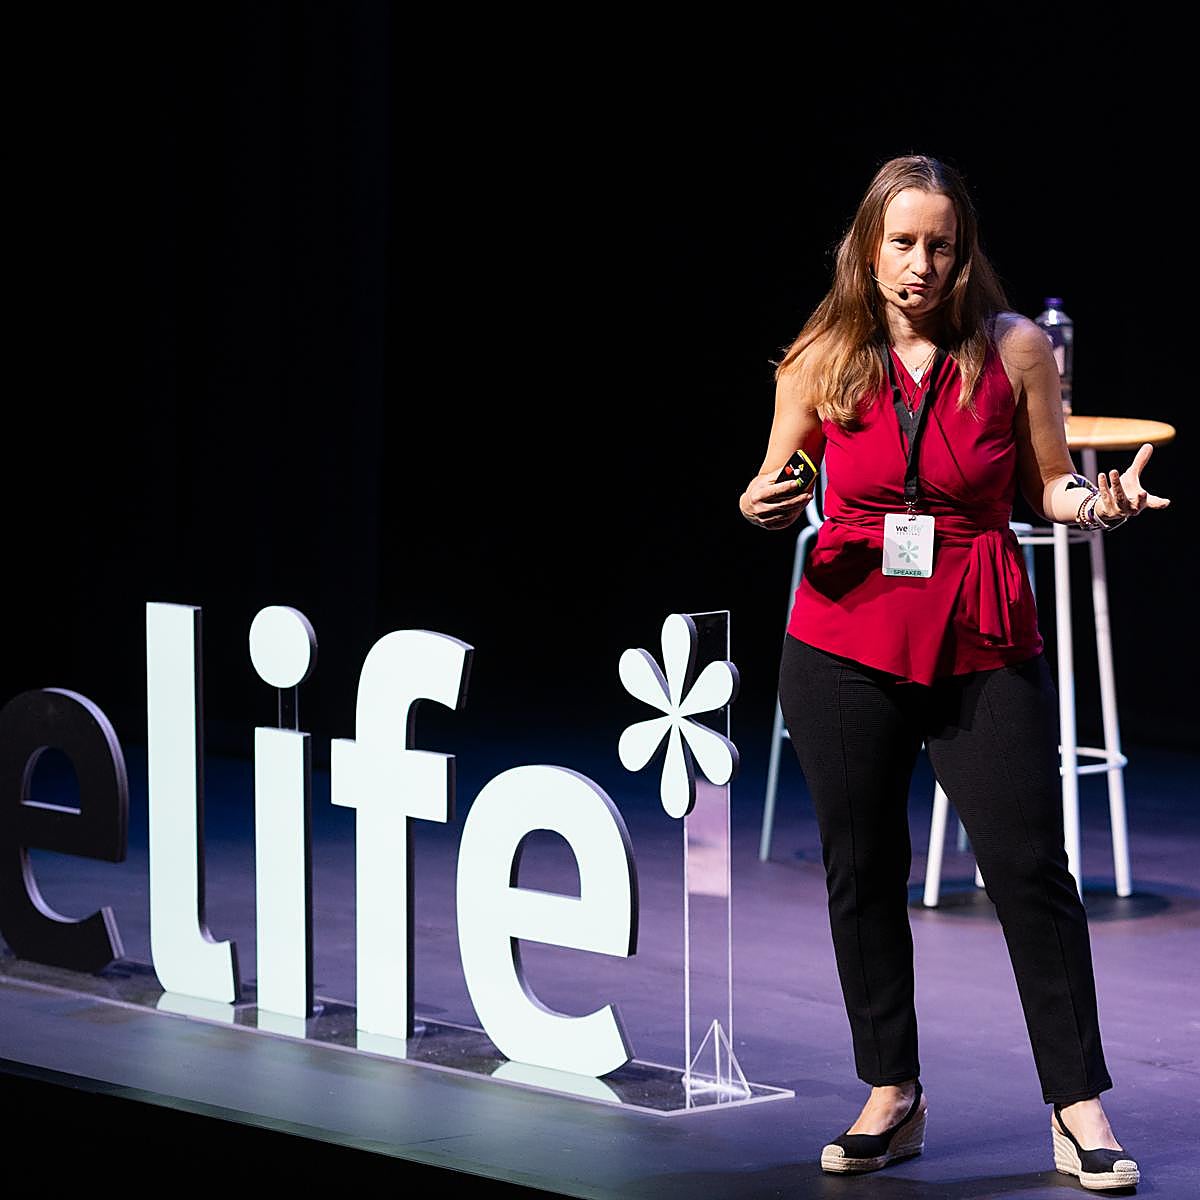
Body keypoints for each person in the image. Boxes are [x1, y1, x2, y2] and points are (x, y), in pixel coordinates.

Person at [738, 154, 1169, 1190]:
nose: (921, 264)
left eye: (940, 244)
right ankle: (893, 1091)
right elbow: (772, 475)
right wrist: (763, 500)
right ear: (869, 247)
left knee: (1029, 871)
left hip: (977, 624)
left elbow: (1049, 485)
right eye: (902, 243)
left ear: (964, 248)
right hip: (844, 635)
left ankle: (1076, 1108)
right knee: (862, 870)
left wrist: (1097, 506)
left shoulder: (1016, 350)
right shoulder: (825, 352)